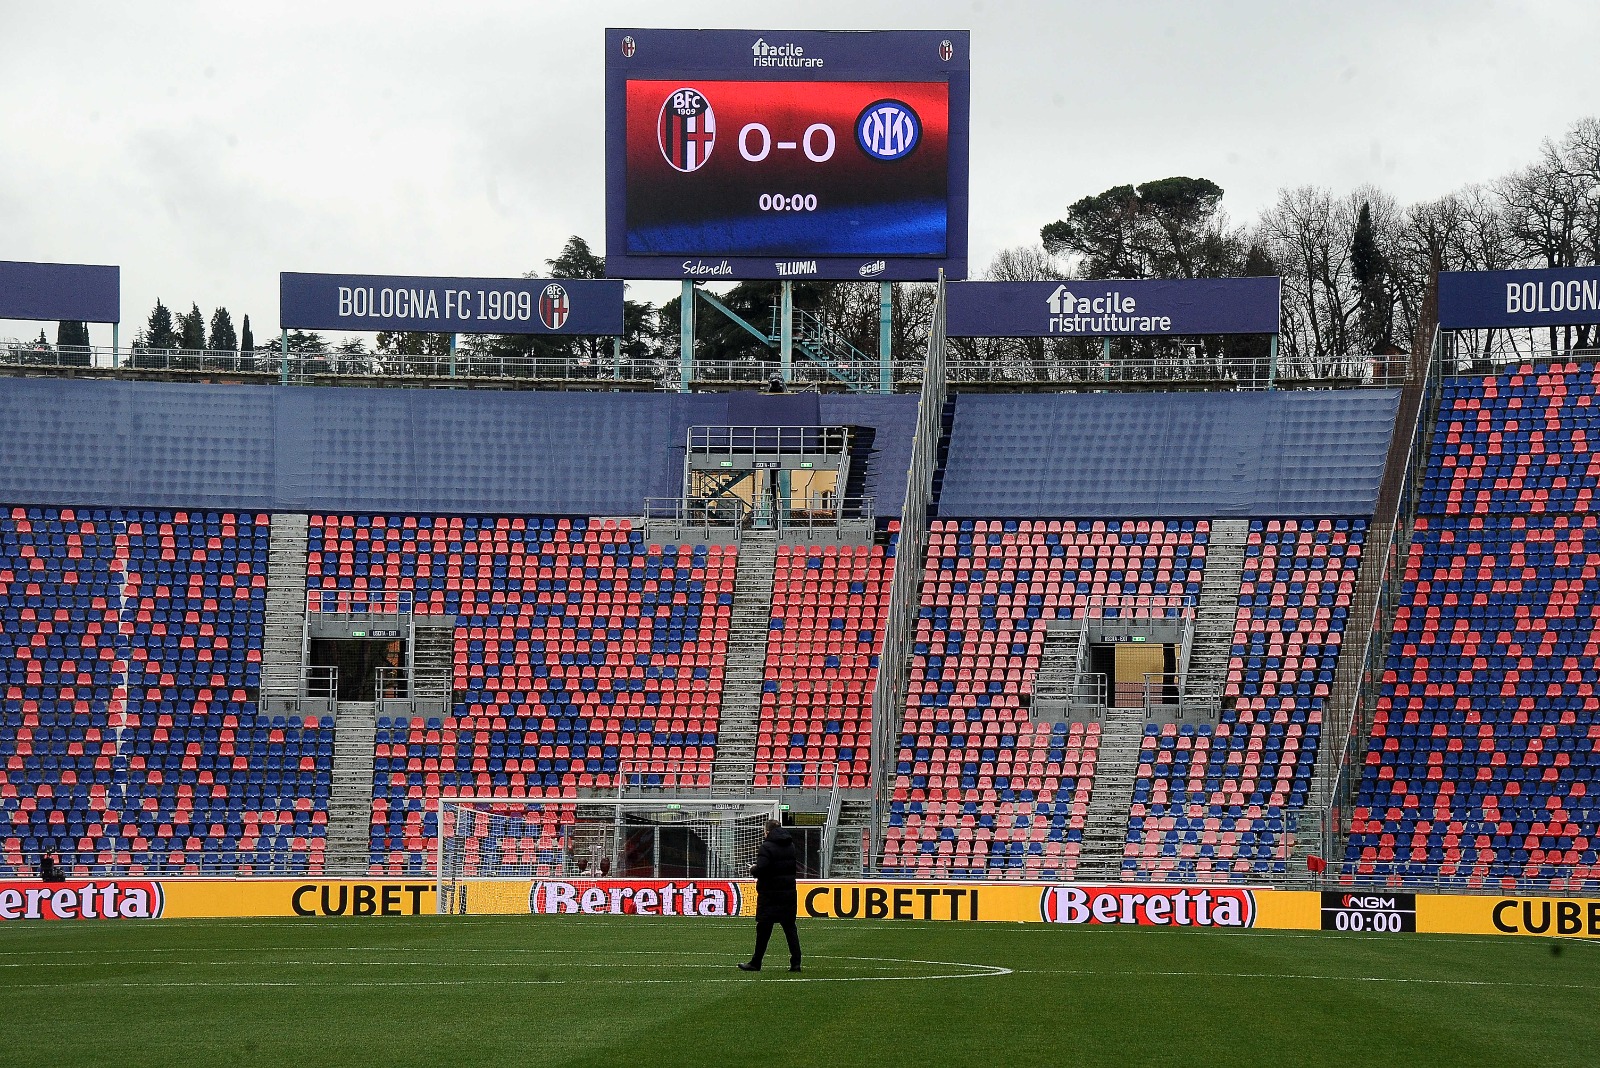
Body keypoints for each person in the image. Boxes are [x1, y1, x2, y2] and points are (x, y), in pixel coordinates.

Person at [738, 820, 802, 973]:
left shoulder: (766, 847)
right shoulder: (790, 845)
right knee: (790, 928)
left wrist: (754, 869)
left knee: (763, 929)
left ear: (768, 831)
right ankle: (796, 962)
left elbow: (763, 869)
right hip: (788, 893)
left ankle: (756, 962)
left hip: (770, 894)